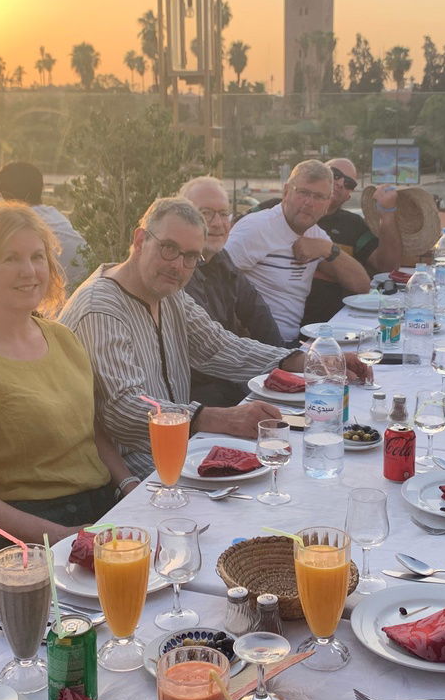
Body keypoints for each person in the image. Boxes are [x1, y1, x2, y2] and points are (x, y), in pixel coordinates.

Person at [61, 196, 368, 476]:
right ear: (140, 240)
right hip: (129, 471)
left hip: (178, 451)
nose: (178, 266)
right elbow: (123, 408)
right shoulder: (101, 309)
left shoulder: (167, 293)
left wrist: (312, 361)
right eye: (168, 249)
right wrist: (217, 419)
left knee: (299, 466)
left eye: (191, 257)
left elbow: (218, 347)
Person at [0, 202, 138, 573]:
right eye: (10, 258)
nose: (29, 271)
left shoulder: (62, 338)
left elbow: (91, 432)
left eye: (37, 256)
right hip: (26, 535)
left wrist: (130, 486)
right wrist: (56, 536)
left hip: (100, 510)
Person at [224, 158, 372, 341]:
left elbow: (362, 285)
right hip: (256, 345)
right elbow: (213, 280)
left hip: (289, 344)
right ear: (286, 192)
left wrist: (327, 249)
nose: (309, 202)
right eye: (303, 192)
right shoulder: (257, 228)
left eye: (318, 197)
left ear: (327, 204)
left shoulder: (316, 235)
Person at [176, 175, 288, 407]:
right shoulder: (179, 270)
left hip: (228, 379)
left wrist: (288, 369)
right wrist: (288, 363)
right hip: (194, 397)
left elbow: (257, 312)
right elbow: (214, 348)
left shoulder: (219, 257)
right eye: (205, 213)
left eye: (223, 213)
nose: (218, 223)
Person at [300, 158, 402, 324]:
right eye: (335, 174)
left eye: (349, 183)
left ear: (349, 195)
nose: (340, 183)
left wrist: (387, 215)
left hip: (329, 325)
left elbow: (387, 268)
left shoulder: (353, 225)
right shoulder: (280, 210)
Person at [0, 160, 89, 290]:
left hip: (58, 305)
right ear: (41, 188)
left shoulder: (20, 227)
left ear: (5, 196)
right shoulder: (56, 217)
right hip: (84, 294)